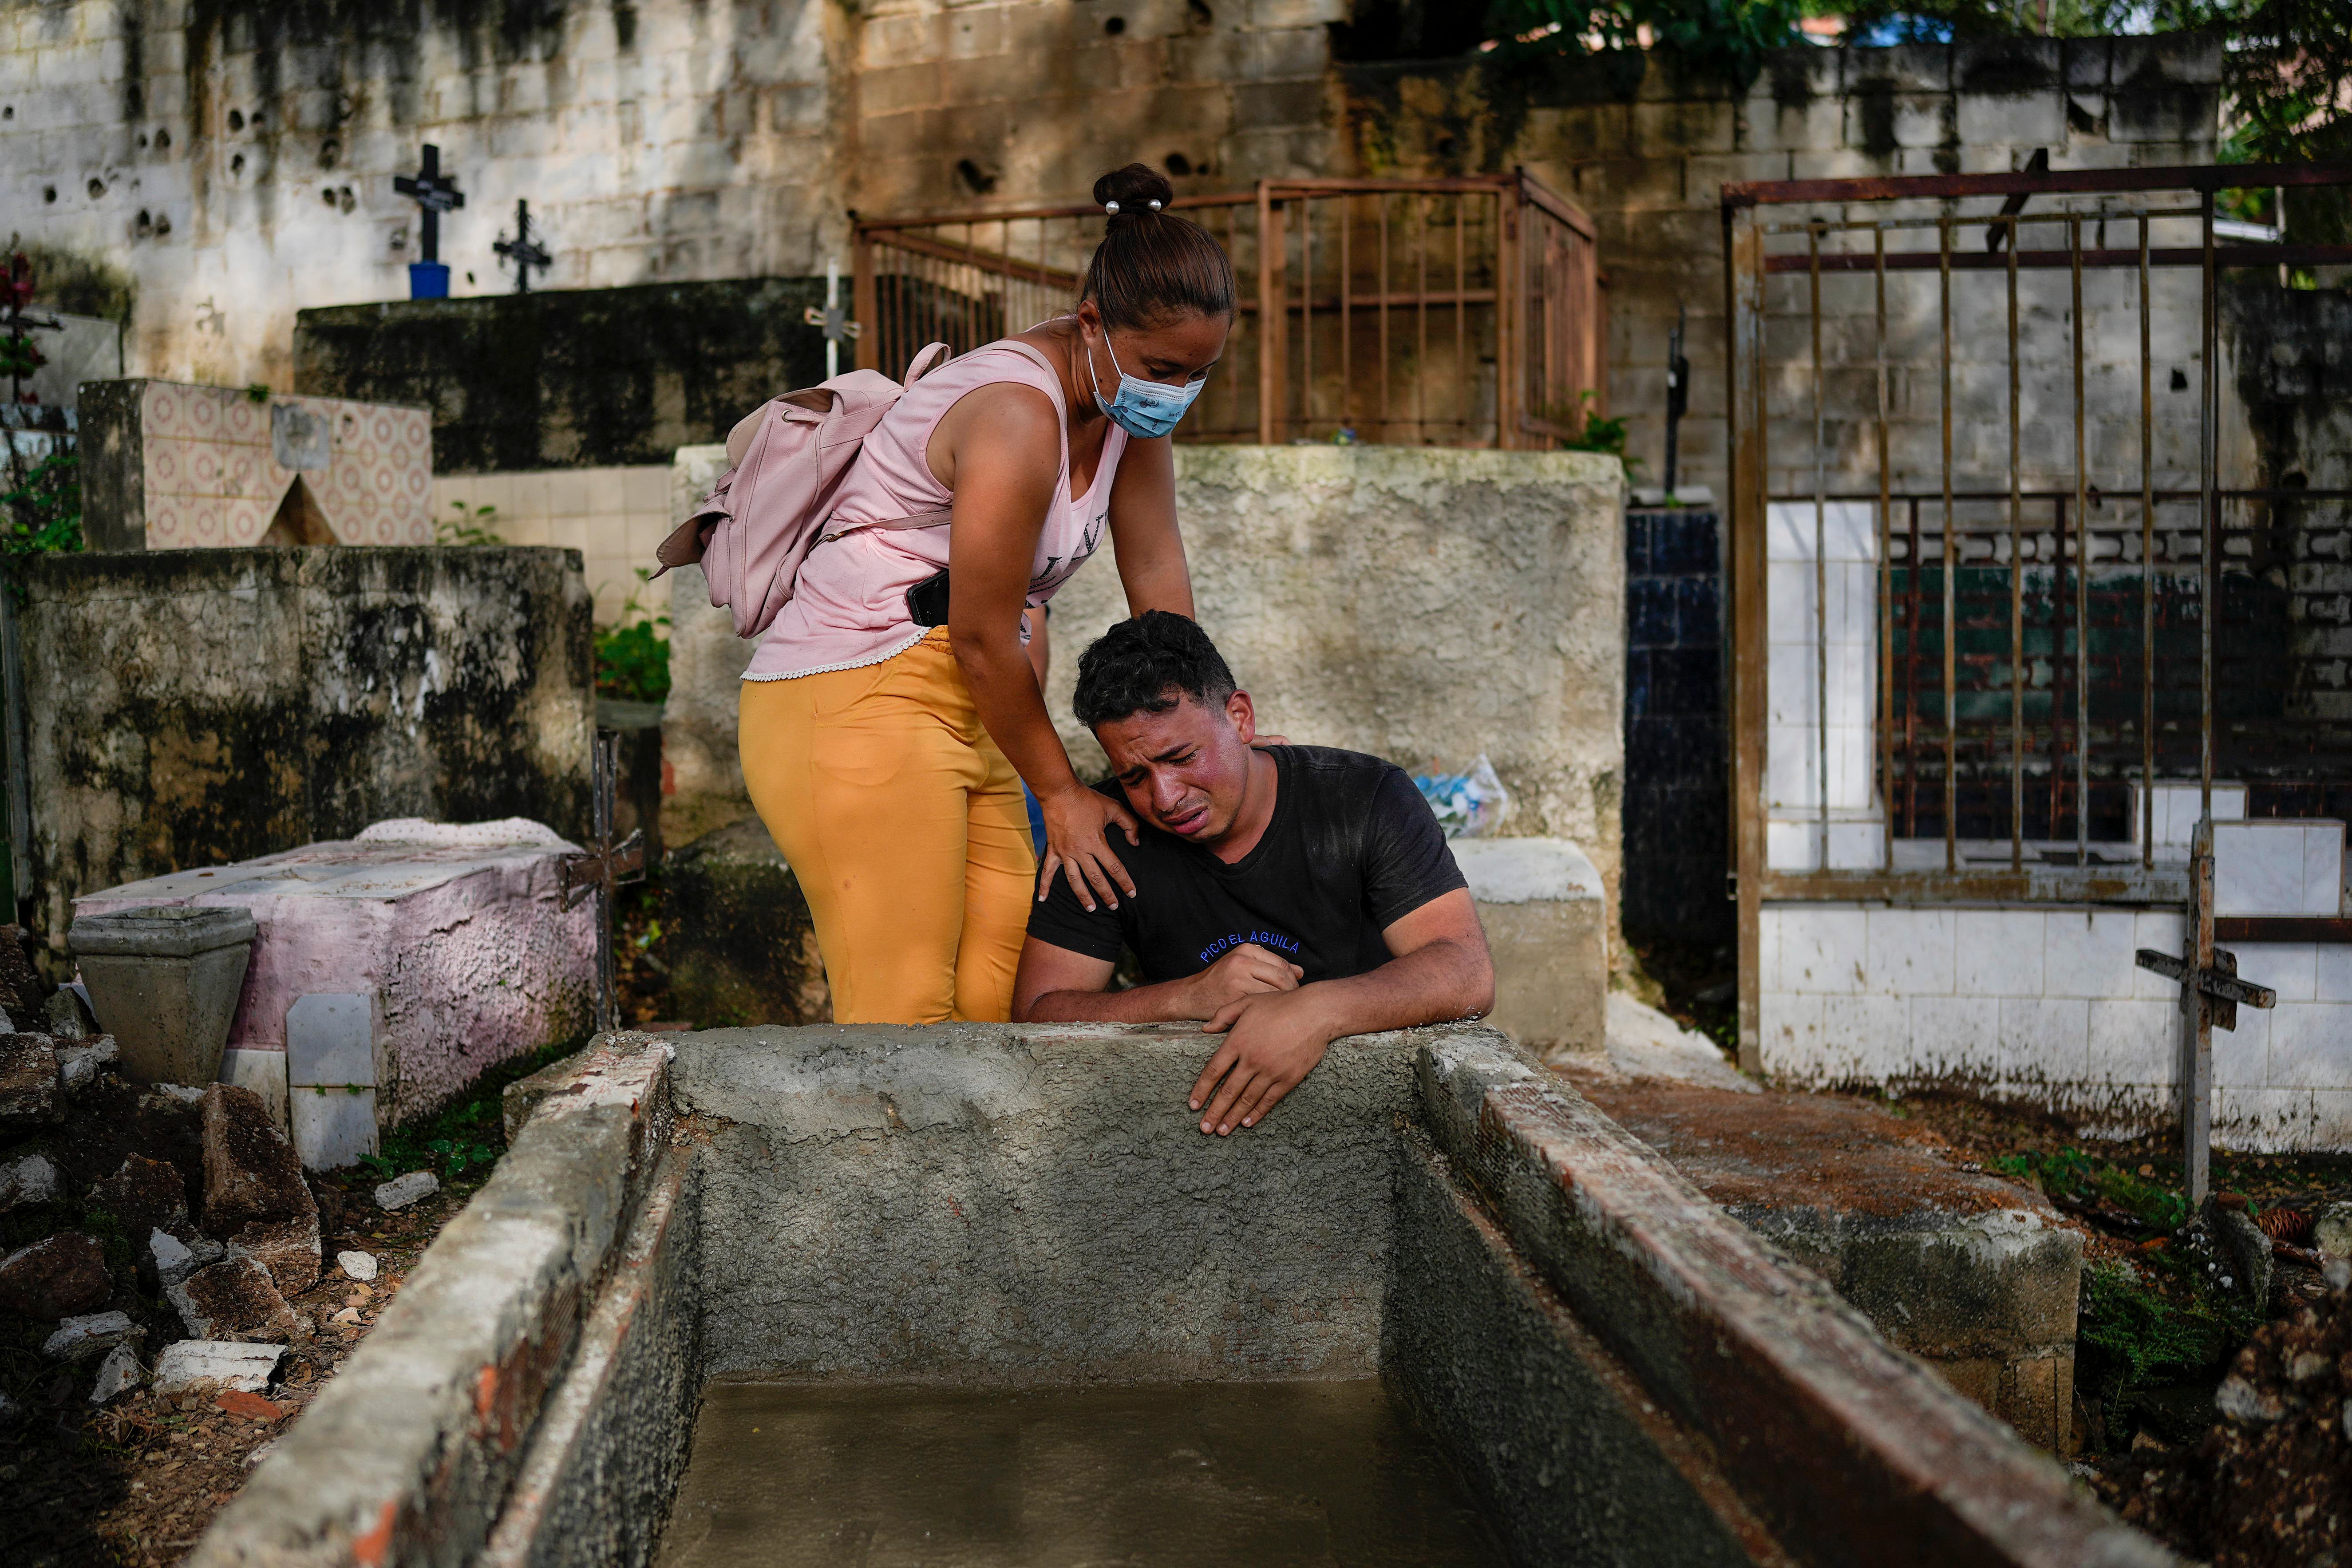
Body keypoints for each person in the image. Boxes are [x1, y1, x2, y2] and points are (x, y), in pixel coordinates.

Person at [738, 166, 1234, 1025]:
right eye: (1163, 368)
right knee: (905, 1019)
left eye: (1199, 372)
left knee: (1000, 1008)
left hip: (977, 708)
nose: (1178, 392)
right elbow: (976, 630)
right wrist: (1063, 794)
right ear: (1091, 326)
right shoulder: (1014, 413)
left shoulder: (1127, 408)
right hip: (855, 693)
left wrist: (1207, 723)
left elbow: (1157, 585)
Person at [1012, 612, 1496, 1137]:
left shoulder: (1364, 796)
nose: (1165, 797)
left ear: (1240, 717)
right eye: (1134, 776)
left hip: (1375, 1115)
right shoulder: (1103, 834)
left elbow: (1466, 972)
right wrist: (1183, 998)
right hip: (1196, 1127)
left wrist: (1313, 1012)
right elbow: (1038, 1013)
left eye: (1181, 756)